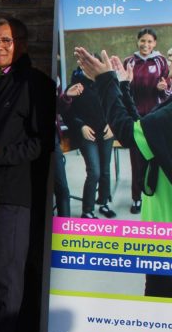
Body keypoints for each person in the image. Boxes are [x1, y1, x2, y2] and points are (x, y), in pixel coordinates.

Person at [0, 17, 55, 332]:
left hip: (16, 195)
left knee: (10, 278)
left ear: (22, 42)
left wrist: (0, 154)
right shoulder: (1, 82)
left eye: (5, 41)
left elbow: (43, 142)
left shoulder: (35, 83)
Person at [74, 48, 172, 297]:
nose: (168, 63)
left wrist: (105, 81)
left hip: (165, 241)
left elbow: (128, 132)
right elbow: (143, 129)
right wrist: (124, 87)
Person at [123, 28, 170, 215]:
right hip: (136, 118)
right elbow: (124, 89)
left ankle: (155, 193)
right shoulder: (129, 61)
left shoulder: (161, 61)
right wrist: (126, 83)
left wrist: (162, 88)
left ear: (155, 43)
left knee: (157, 157)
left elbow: (167, 93)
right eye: (143, 41)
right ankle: (136, 198)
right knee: (137, 161)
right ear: (137, 41)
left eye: (150, 41)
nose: (146, 45)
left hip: (156, 120)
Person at [58, 72, 116, 219]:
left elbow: (116, 107)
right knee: (94, 171)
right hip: (86, 135)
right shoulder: (76, 86)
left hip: (105, 133)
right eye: (85, 65)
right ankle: (87, 211)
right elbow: (66, 114)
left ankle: (103, 203)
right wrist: (81, 126)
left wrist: (112, 124)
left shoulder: (107, 84)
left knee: (105, 170)